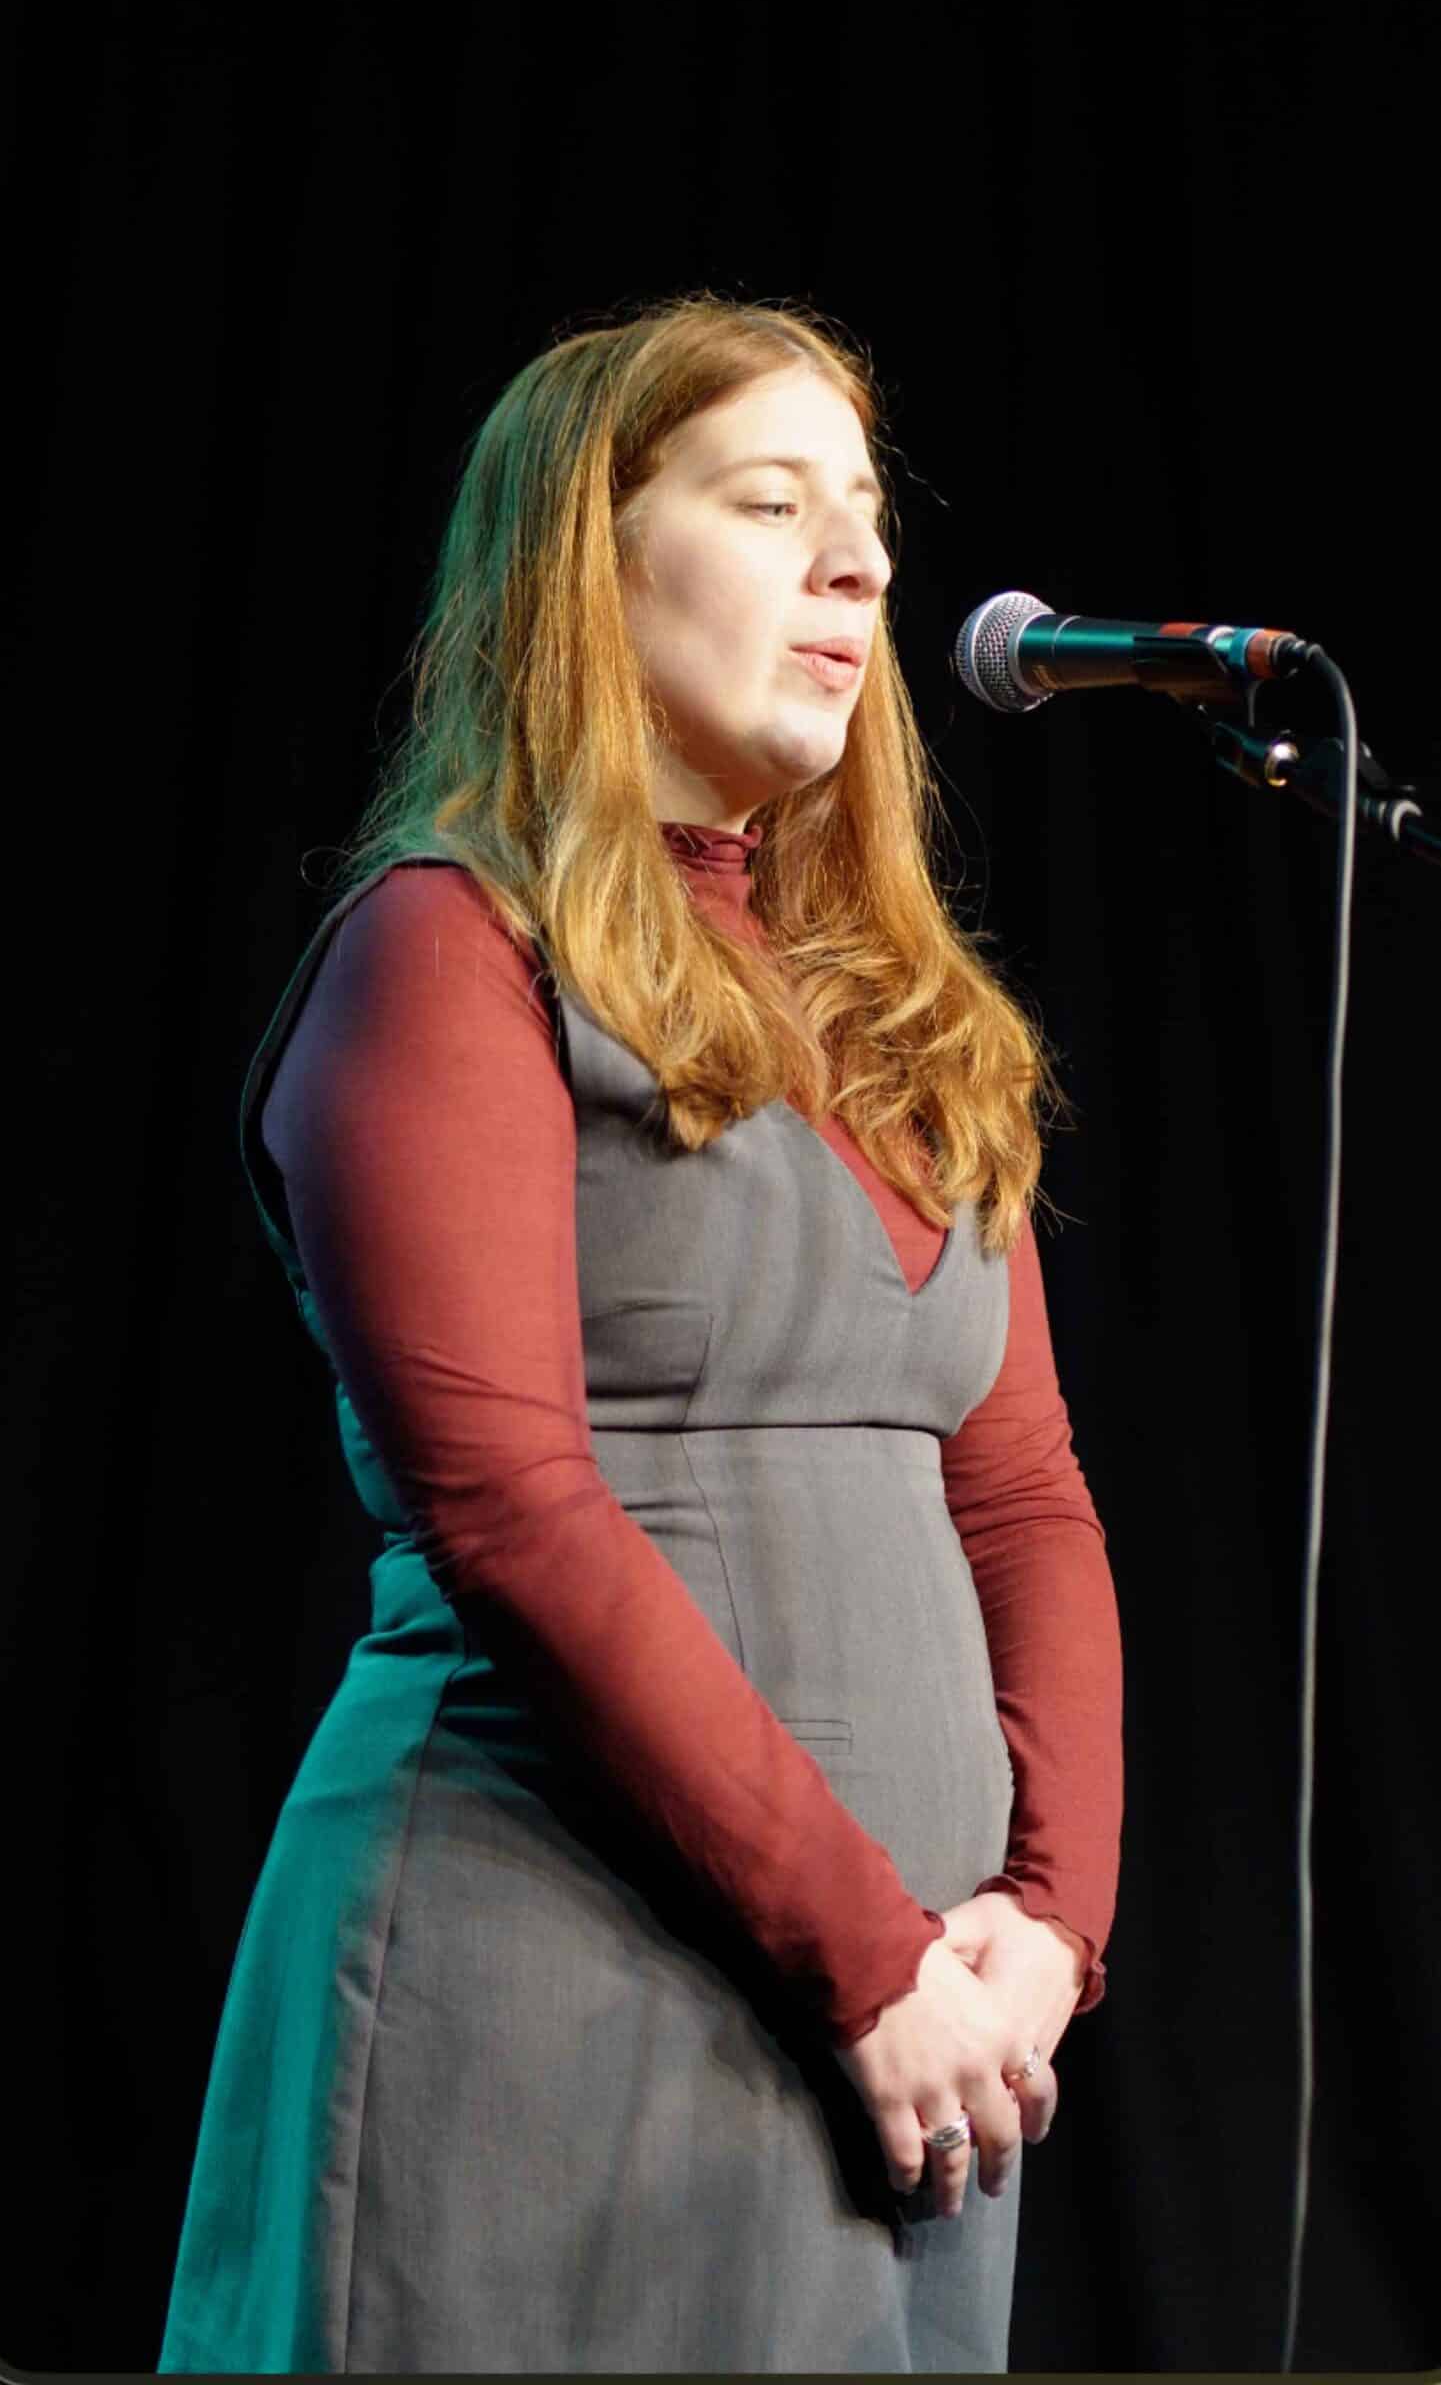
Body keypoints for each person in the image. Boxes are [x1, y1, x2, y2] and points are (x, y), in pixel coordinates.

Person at [156, 291, 1123, 2376]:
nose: (855, 563)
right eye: (770, 504)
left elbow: (1026, 1490)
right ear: (585, 567)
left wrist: (1047, 1925)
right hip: (556, 1971)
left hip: (927, 2041)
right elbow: (507, 1507)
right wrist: (870, 1958)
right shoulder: (448, 941)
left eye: (864, 518)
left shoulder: (905, 1015)